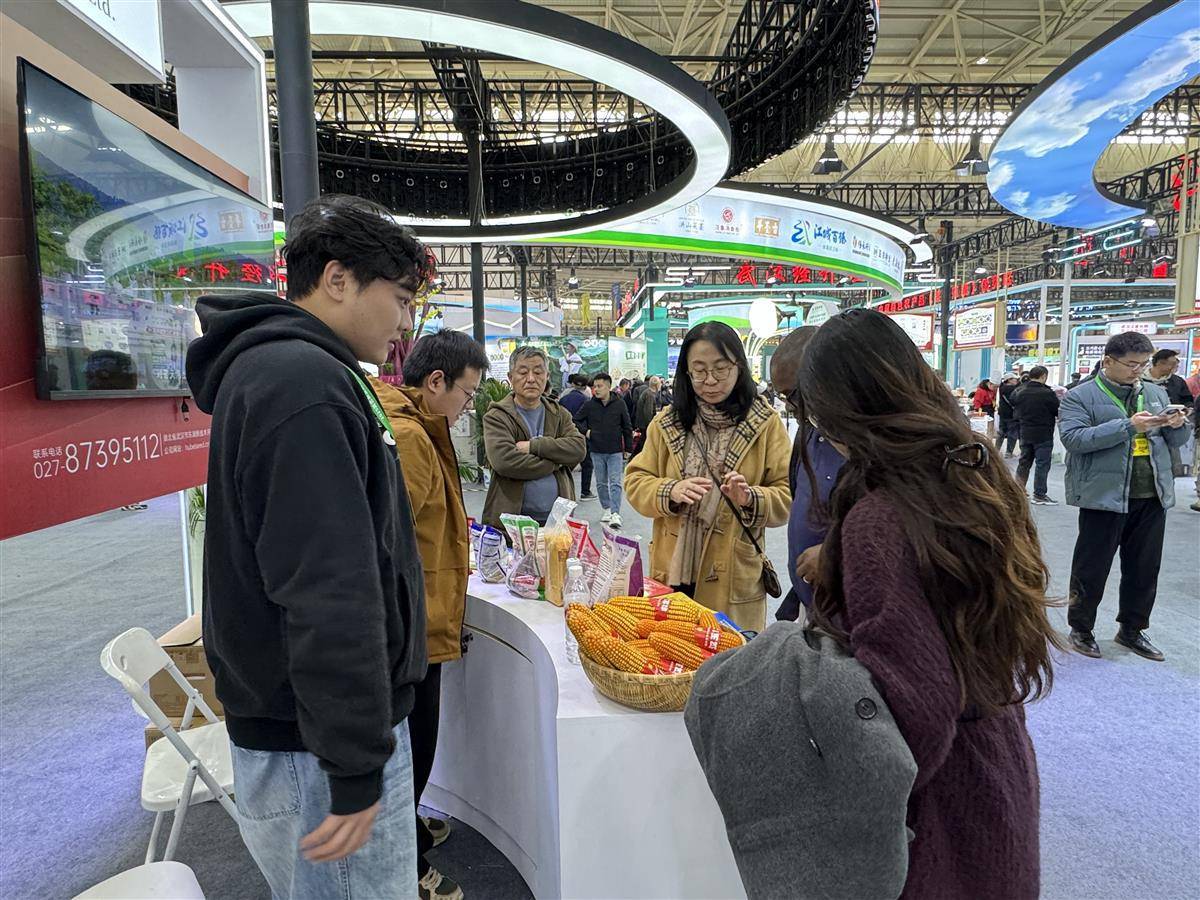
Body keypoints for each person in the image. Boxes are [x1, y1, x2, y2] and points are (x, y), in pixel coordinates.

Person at [185, 195, 429, 898]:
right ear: (338, 279)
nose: (406, 322)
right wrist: (353, 765)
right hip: (314, 742)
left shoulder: (301, 373)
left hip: (312, 731)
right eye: (400, 298)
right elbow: (327, 590)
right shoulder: (302, 384)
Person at [794, 308, 1058, 899]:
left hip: (935, 806)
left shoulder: (881, 517)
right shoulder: (974, 470)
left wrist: (840, 800)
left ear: (840, 409)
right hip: (996, 758)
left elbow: (914, 706)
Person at [371, 331, 490, 900]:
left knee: (414, 739)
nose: (468, 406)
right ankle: (407, 863)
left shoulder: (409, 422)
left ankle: (410, 829)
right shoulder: (412, 437)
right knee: (415, 742)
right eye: (467, 394)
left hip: (419, 613)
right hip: (415, 620)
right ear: (436, 382)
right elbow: (389, 540)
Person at [625, 322, 791, 632]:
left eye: (720, 369)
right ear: (686, 373)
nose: (710, 380)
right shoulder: (668, 423)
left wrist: (750, 498)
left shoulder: (765, 424)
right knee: (672, 652)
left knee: (731, 654)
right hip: (673, 573)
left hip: (732, 576)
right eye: (699, 371)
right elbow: (635, 480)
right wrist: (670, 491)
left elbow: (788, 494)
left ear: (739, 367)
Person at [1059, 331, 1190, 661]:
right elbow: (1075, 439)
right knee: (1092, 567)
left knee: (1144, 569)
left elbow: (1175, 443)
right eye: (1132, 364)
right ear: (1108, 361)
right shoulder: (1080, 396)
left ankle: (1132, 629)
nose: (1138, 371)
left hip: (1151, 494)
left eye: (1143, 364)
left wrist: (1178, 426)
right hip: (1103, 496)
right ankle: (1081, 629)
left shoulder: (1156, 392)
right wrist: (1129, 426)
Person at [766, 326, 844, 622]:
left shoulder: (874, 442)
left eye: (793, 395)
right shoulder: (808, 431)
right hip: (811, 605)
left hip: (850, 613)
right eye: (783, 396)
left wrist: (836, 555)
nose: (789, 406)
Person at [482, 345, 585, 529]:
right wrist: (557, 462)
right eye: (523, 372)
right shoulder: (497, 416)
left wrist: (534, 446)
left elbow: (578, 448)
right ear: (510, 377)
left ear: (546, 376)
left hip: (557, 522)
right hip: (512, 524)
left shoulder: (558, 413)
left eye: (538, 372)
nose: (531, 379)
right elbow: (505, 461)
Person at [574, 372, 634, 528]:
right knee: (601, 483)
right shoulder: (589, 405)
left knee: (615, 483)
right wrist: (586, 432)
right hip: (596, 450)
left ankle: (615, 513)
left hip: (615, 450)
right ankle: (607, 508)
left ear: (608, 387)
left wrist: (628, 448)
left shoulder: (619, 404)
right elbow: (575, 420)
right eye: (594, 386)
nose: (596, 389)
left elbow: (627, 426)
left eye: (599, 386)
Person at [1011, 365, 1060, 505]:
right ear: (1043, 376)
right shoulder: (1048, 393)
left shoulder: (1019, 391)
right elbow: (1057, 410)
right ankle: (1039, 494)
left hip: (1025, 431)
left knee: (1024, 462)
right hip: (1043, 433)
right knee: (1042, 464)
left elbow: (1014, 407)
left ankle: (1018, 491)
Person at [1142, 348, 1194, 477]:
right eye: (1172, 364)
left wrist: (1186, 411)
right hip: (1145, 428)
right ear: (1160, 363)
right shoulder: (1140, 380)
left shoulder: (1177, 381)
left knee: (1170, 467)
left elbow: (1188, 400)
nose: (1175, 367)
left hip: (1171, 428)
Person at [559, 373, 595, 499]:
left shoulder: (563, 399)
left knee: (565, 464)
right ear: (585, 387)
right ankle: (585, 491)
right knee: (587, 464)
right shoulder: (586, 400)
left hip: (565, 434)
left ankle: (563, 492)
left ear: (573, 384)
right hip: (581, 435)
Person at [632, 374, 669, 456]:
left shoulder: (648, 393)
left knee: (643, 441)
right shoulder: (650, 395)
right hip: (645, 424)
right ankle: (635, 457)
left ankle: (635, 456)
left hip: (642, 423)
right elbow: (648, 413)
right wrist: (651, 425)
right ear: (657, 385)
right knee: (643, 441)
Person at [996, 372, 1021, 457]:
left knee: (1001, 432)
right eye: (1015, 379)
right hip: (1012, 414)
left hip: (1002, 413)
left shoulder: (1001, 387)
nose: (1017, 380)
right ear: (1009, 380)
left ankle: (996, 450)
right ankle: (1008, 452)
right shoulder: (1013, 389)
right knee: (1012, 433)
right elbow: (1014, 401)